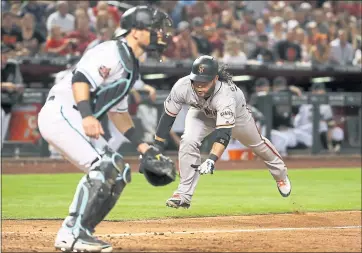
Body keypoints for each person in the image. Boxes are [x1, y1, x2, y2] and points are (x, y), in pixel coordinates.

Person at [37, 6, 173, 252]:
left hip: (75, 115)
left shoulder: (130, 66)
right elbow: (81, 80)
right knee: (104, 166)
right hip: (63, 112)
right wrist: (88, 116)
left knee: (119, 170)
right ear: (135, 31)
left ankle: (80, 231)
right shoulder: (111, 50)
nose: (160, 35)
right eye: (154, 30)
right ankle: (72, 234)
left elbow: (118, 113)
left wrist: (144, 148)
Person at [151, 56, 292, 209]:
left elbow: (224, 133)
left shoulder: (226, 94)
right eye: (196, 81)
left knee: (258, 145)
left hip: (237, 117)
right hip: (202, 112)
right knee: (188, 140)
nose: (199, 86)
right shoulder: (182, 86)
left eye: (204, 82)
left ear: (215, 79)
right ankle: (183, 194)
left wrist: (212, 159)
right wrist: (156, 147)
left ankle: (280, 175)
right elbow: (167, 118)